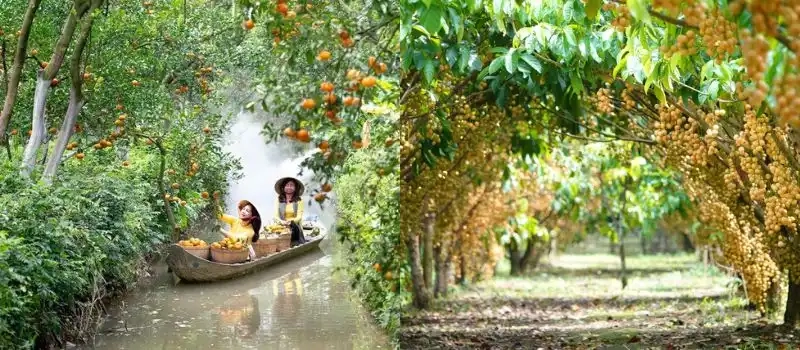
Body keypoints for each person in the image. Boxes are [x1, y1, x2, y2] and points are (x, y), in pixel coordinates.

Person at [214, 194, 262, 259]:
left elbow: (237, 239)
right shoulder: (235, 220)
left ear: (252, 216)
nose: (243, 211)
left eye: (247, 211)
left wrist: (221, 230)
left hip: (244, 256)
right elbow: (220, 216)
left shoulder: (251, 231)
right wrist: (217, 201)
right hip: (230, 250)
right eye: (243, 209)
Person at [274, 177, 306, 247]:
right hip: (281, 226)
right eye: (287, 185)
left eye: (291, 185)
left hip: (294, 227)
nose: (289, 187)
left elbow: (299, 217)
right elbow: (275, 216)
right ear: (283, 187)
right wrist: (281, 222)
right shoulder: (279, 199)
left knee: (295, 242)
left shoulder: (299, 200)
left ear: (295, 188)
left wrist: (290, 222)